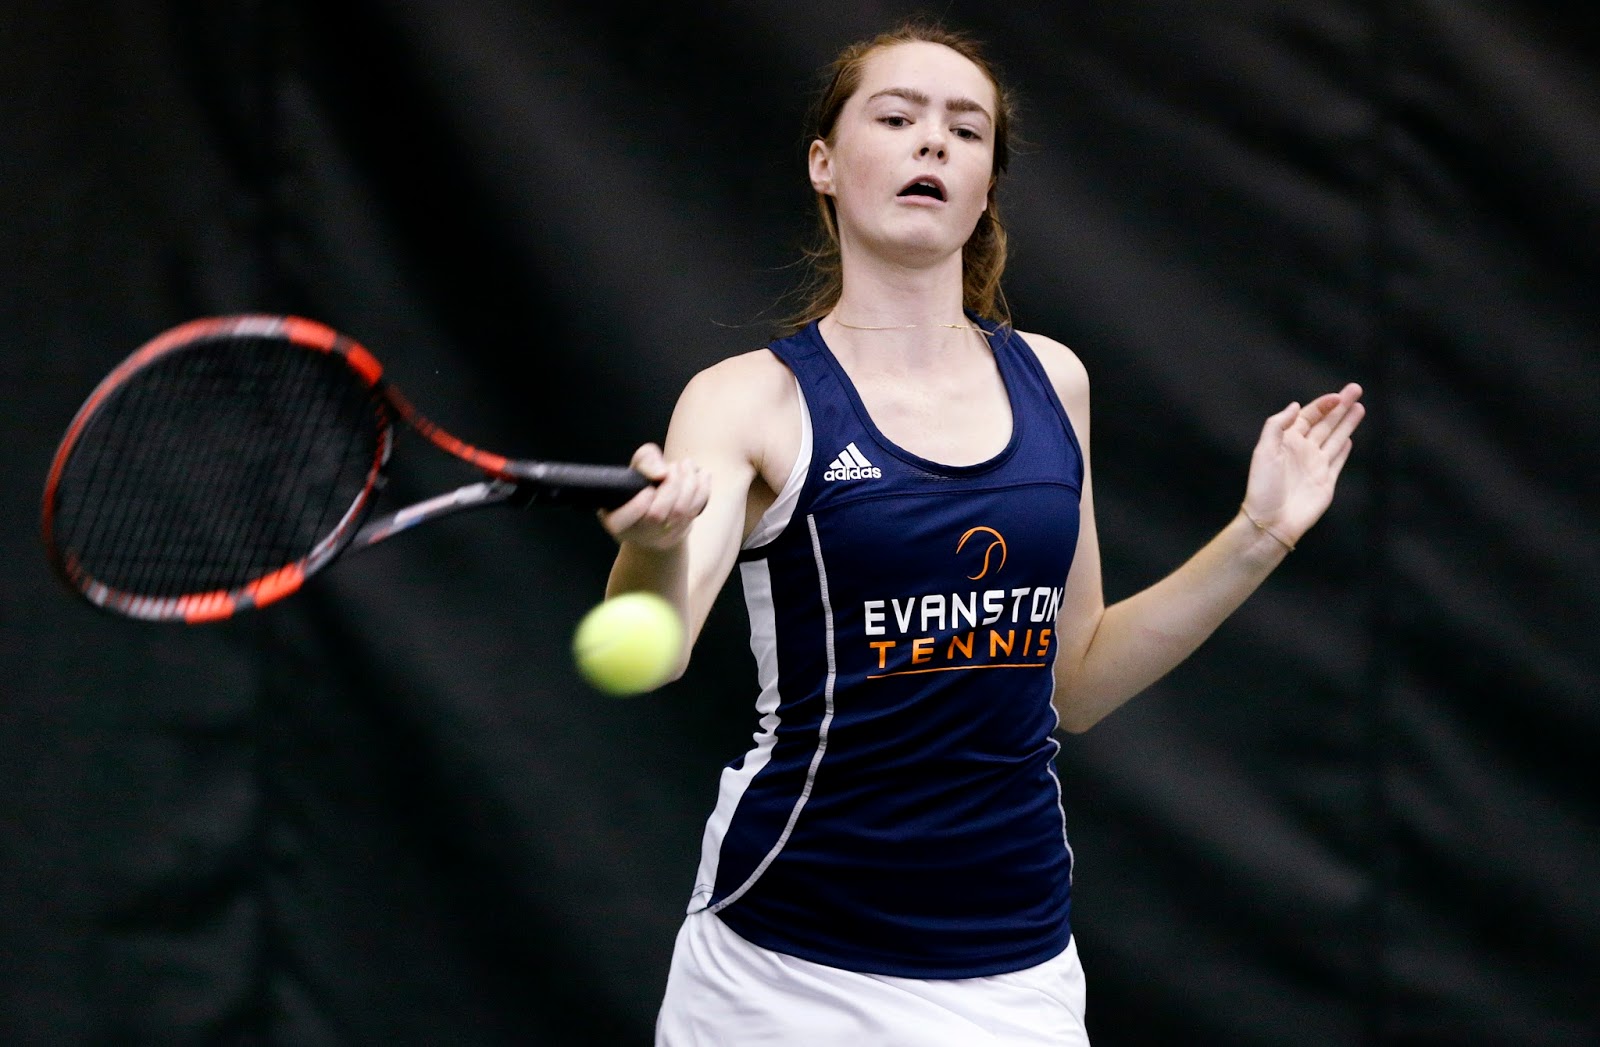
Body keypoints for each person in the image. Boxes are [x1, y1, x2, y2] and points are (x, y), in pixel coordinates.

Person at [600, 17, 1365, 1046]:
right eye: (897, 117)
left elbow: (1077, 682)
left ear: (986, 185)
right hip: (783, 967)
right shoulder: (748, 399)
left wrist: (1259, 532)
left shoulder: (1054, 381)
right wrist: (652, 546)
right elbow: (651, 653)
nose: (933, 140)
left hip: (1016, 968)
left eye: (966, 130)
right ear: (824, 163)